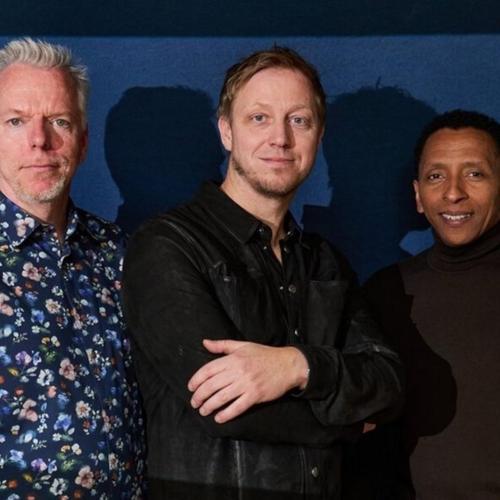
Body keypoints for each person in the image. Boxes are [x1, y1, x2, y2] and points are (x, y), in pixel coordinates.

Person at [123, 46, 403, 500]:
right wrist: (352, 424)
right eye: (259, 118)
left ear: (318, 136)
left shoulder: (324, 261)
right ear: (226, 131)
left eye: (299, 120)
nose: (281, 138)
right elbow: (223, 408)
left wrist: (297, 366)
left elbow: (388, 382)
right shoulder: (167, 245)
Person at [0, 38, 145, 498]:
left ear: (82, 143)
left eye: (58, 122)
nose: (39, 140)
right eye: (16, 121)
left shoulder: (119, 251)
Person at [351, 109, 500, 499]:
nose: (453, 193)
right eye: (436, 176)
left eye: (475, 174)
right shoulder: (387, 291)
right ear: (418, 195)